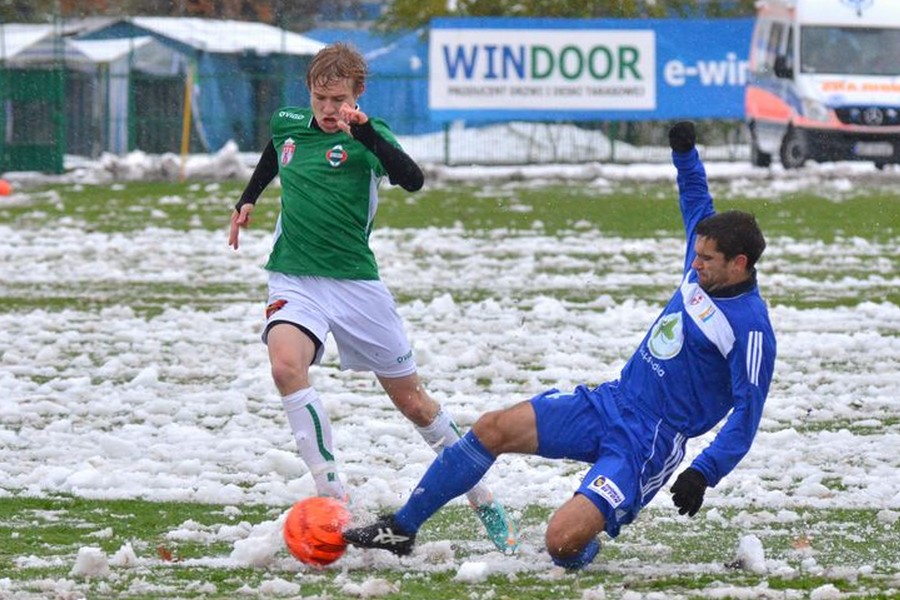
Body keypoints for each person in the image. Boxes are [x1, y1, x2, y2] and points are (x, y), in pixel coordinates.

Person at [343, 121, 777, 570]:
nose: (696, 263)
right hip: (611, 401)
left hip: (647, 444)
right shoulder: (703, 262)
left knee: (561, 544)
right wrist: (685, 154)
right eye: (697, 253)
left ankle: (588, 534)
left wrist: (704, 472)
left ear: (739, 264)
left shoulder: (751, 331)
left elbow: (747, 416)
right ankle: (402, 529)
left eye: (707, 259)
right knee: (493, 428)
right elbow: (695, 201)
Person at [228, 42, 518, 553]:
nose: (328, 108)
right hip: (294, 278)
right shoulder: (289, 121)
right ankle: (332, 498)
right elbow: (276, 151)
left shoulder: (368, 136)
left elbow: (413, 179)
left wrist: (363, 131)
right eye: (320, 97)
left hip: (357, 286)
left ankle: (481, 495)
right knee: (284, 367)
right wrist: (248, 199)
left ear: (357, 94)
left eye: (338, 98)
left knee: (413, 402)